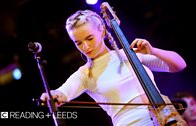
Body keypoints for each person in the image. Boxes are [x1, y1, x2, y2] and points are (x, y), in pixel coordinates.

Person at [40, 9, 187, 126]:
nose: (85, 47)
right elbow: (62, 92)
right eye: (78, 43)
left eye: (89, 38)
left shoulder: (129, 54)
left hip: (166, 119)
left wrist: (153, 50)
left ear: (102, 30)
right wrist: (51, 95)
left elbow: (179, 65)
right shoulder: (85, 74)